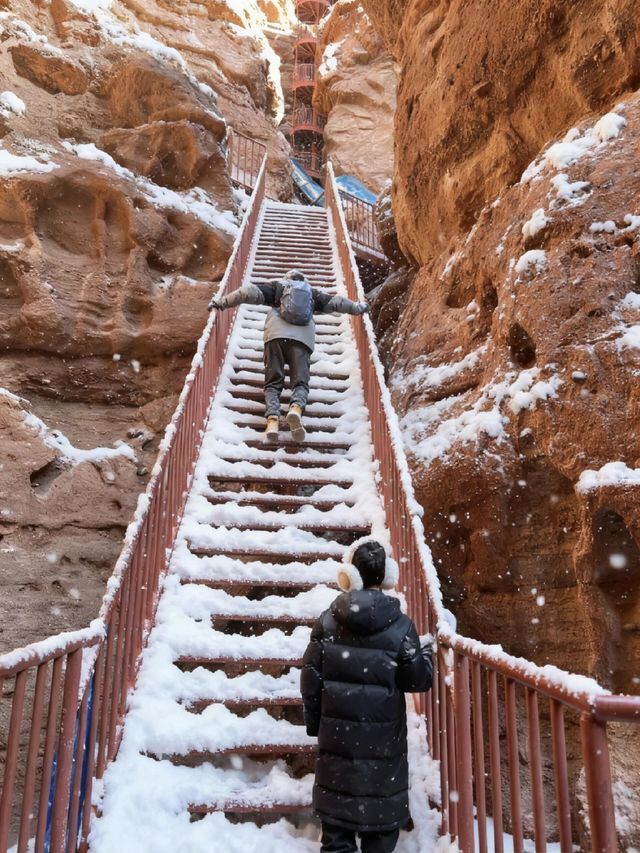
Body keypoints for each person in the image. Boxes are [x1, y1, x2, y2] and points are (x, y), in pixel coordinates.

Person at [301, 538, 434, 853]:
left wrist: (316, 724)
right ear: (387, 576)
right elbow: (417, 680)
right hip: (383, 741)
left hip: (338, 739)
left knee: (337, 826)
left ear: (350, 576)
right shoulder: (401, 626)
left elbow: (310, 679)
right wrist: (426, 654)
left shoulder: (328, 621)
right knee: (381, 822)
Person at [208, 270, 368, 443]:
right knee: (300, 382)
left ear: (287, 279)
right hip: (301, 341)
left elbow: (247, 292)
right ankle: (296, 408)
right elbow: (337, 303)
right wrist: (357, 308)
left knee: (273, 383)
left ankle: (272, 420)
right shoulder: (312, 294)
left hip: (275, 337)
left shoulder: (278, 288)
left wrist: (222, 302)